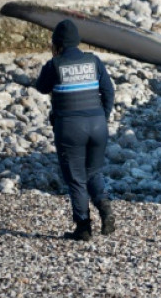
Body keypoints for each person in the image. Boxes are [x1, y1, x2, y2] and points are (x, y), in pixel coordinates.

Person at [34, 19, 116, 241]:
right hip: (98, 125)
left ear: (57, 44)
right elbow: (109, 91)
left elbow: (41, 87)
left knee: (76, 178)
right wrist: (103, 116)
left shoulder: (55, 64)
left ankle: (83, 228)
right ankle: (105, 208)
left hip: (70, 127)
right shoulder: (94, 61)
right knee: (93, 172)